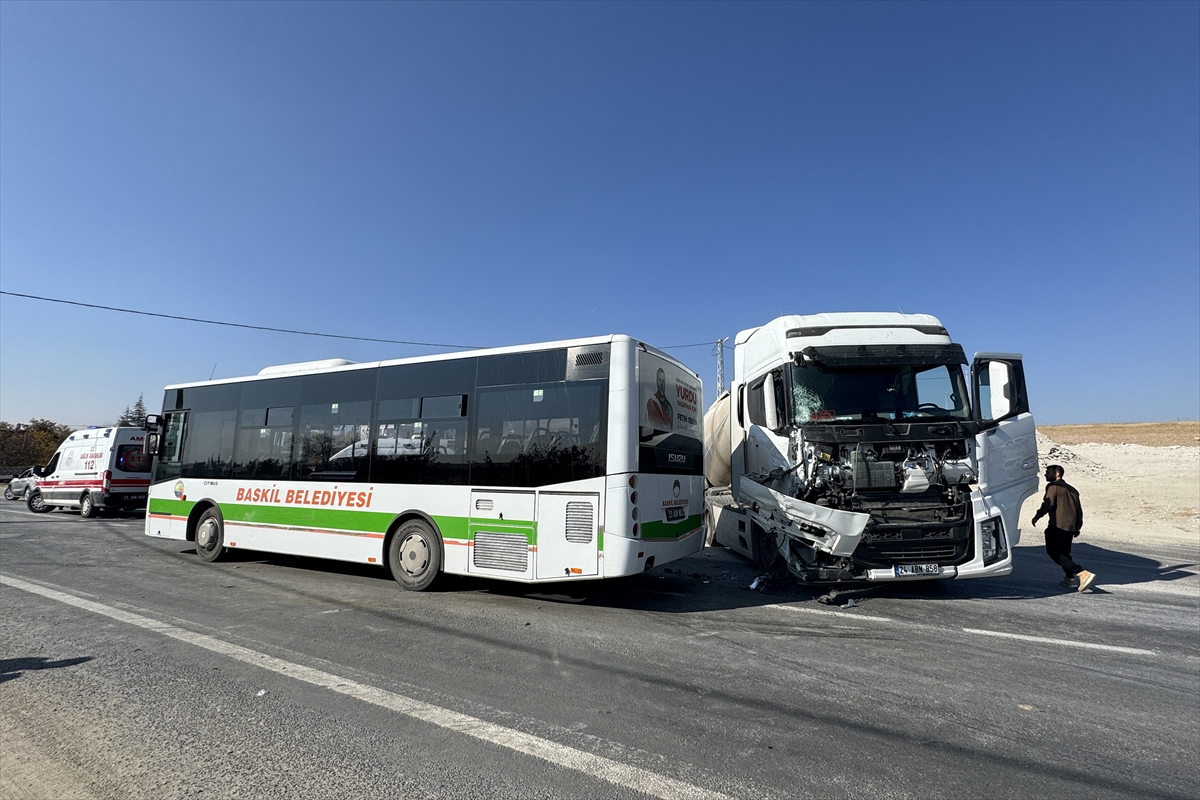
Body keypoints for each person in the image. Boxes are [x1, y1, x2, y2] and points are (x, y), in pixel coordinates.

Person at [1031, 464, 1095, 591]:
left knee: (1053, 552)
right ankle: (1069, 579)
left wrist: (1037, 516)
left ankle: (1082, 573)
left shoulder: (1053, 487)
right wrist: (1077, 527)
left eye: (1048, 472)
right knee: (1064, 554)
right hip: (1070, 528)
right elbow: (1079, 511)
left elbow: (1048, 504)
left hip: (1057, 526)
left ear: (1057, 474)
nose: (1045, 474)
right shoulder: (1073, 490)